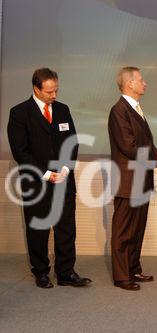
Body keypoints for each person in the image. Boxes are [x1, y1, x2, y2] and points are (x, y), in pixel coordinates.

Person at [7, 68, 91, 288]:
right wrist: (46, 174)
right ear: (36, 89)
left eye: (56, 90)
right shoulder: (19, 113)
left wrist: (65, 169)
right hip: (37, 182)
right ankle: (41, 271)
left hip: (64, 180)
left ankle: (66, 272)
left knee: (66, 229)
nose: (54, 95)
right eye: (49, 92)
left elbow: (72, 142)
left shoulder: (63, 110)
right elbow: (20, 151)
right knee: (38, 230)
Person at [108, 66, 157, 291]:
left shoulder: (135, 108)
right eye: (141, 80)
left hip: (141, 180)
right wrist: (154, 160)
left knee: (137, 228)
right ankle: (122, 276)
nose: (145, 84)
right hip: (127, 181)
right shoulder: (119, 110)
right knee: (124, 230)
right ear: (130, 83)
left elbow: (145, 141)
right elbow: (128, 145)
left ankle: (133, 268)